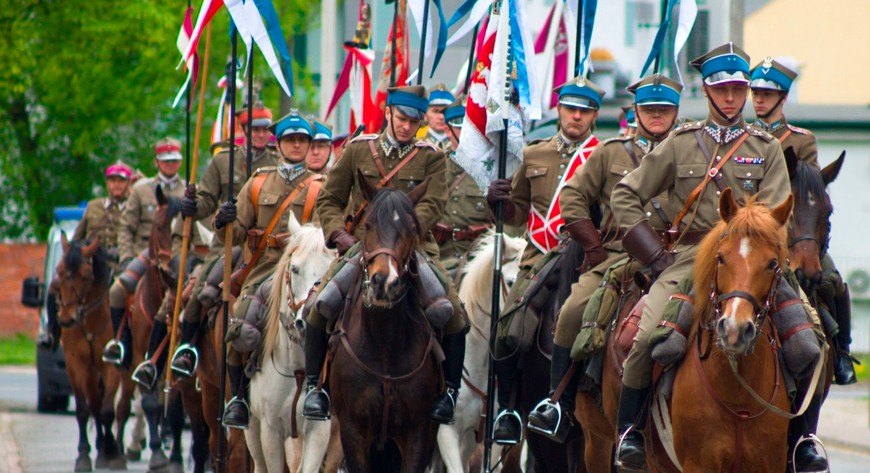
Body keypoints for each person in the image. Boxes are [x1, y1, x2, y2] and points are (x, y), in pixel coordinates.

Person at [607, 43, 819, 472]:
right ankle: (630, 432)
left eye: (738, 89)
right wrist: (654, 257)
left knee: (810, 341)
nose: (730, 97)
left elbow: (780, 208)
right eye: (722, 89)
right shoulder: (680, 143)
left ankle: (802, 441)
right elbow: (625, 194)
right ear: (706, 90)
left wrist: (755, 235)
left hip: (756, 262)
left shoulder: (765, 147)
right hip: (688, 259)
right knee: (645, 337)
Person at [526, 74, 682, 439]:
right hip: (617, 256)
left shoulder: (691, 150)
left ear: (676, 112)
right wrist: (594, 249)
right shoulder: (611, 151)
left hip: (678, 257)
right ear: (637, 112)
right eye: (649, 109)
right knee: (572, 310)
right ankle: (558, 405)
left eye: (664, 109)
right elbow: (572, 197)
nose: (657, 116)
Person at [303, 85, 467, 425]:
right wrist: (340, 235)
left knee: (452, 313)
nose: (407, 127)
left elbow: (435, 203)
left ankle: (449, 393)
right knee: (319, 307)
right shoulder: (357, 151)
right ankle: (315, 389)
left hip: (411, 248)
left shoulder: (431, 157)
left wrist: (403, 237)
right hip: (362, 247)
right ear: (388, 112)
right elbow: (329, 200)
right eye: (402, 118)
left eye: (415, 122)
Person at [486, 76, 604, 445]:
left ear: (594, 116)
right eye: (571, 109)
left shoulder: (604, 154)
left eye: (584, 111)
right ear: (559, 110)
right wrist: (499, 204)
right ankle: (508, 409)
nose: (576, 117)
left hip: (586, 257)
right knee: (508, 329)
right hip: (538, 257)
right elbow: (518, 212)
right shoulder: (535, 154)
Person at [143, 107, 282, 390]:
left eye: (264, 129)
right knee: (199, 291)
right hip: (229, 245)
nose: (259, 134)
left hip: (266, 250)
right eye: (254, 129)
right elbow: (206, 200)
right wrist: (192, 206)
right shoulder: (223, 162)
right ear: (243, 131)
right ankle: (187, 350)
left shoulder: (278, 164)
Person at [209, 111, 324, 429]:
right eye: (291, 140)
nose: (297, 145)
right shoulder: (258, 183)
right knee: (240, 321)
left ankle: (322, 391)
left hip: (306, 269)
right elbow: (235, 234)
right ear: (280, 143)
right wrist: (225, 219)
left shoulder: (319, 187)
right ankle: (240, 400)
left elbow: (329, 230)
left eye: (303, 140)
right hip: (263, 268)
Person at [750, 57, 856, 385]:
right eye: (756, 92)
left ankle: (841, 353)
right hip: (751, 231)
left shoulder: (801, 140)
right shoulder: (742, 138)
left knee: (833, 282)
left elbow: (808, 190)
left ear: (783, 99)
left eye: (768, 93)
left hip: (793, 230)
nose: (759, 98)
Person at [102, 139, 186, 368]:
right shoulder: (141, 189)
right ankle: (122, 344)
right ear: (157, 161)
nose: (170, 165)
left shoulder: (187, 190)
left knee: (191, 293)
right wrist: (127, 257)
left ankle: (188, 350)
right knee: (117, 291)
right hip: (145, 254)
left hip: (176, 254)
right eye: (165, 161)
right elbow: (126, 227)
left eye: (174, 160)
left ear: (179, 162)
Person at [40, 162, 135, 351]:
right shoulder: (94, 206)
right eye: (112, 180)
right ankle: (52, 332)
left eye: (121, 181)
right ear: (107, 183)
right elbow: (77, 238)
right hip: (89, 263)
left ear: (128, 183)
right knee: (56, 285)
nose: (117, 185)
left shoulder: (133, 206)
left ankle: (126, 340)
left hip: (118, 264)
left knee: (126, 294)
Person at [429, 95, 492, 274]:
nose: (469, 132)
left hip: (480, 260)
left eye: (473, 125)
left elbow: (513, 221)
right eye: (461, 126)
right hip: (438, 257)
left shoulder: (496, 168)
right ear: (448, 131)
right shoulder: (433, 165)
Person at [422, 83, 455, 151]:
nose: (441, 117)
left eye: (445, 111)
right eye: (436, 111)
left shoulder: (460, 147)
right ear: (425, 115)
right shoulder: (418, 146)